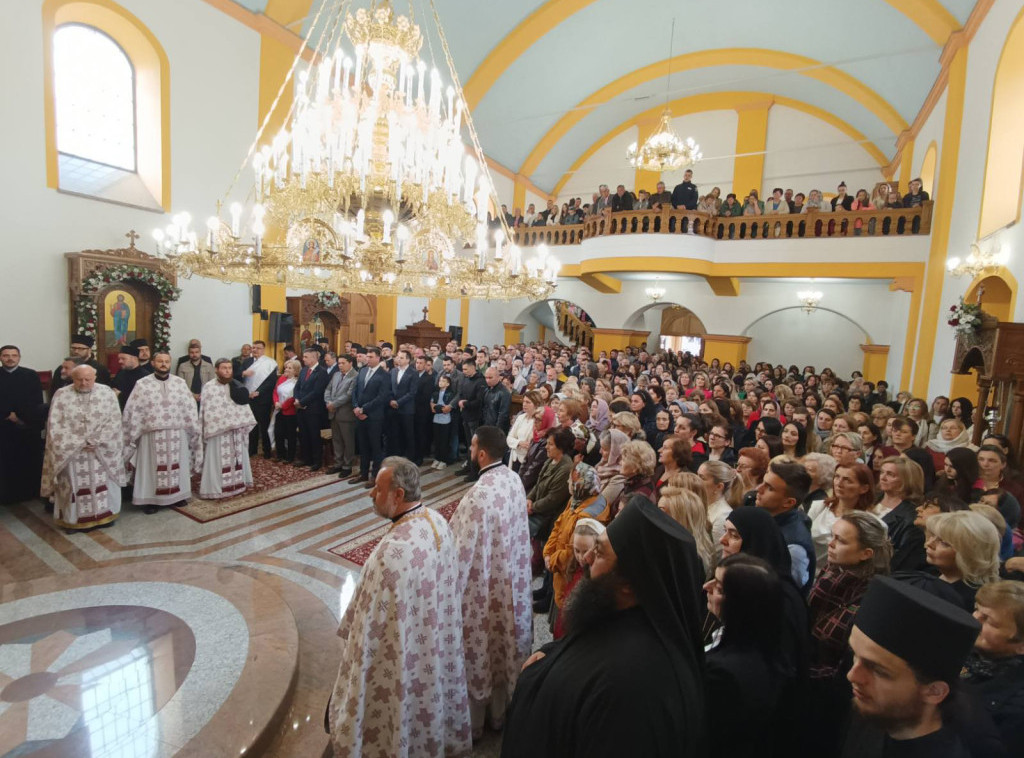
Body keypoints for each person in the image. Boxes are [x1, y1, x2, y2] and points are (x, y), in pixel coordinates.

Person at [501, 498, 707, 758]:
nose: (585, 558)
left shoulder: (636, 690)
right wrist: (550, 655)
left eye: (598, 553)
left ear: (629, 584)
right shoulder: (618, 611)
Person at [327, 457, 472, 756]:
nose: (371, 494)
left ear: (398, 495)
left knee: (397, 706)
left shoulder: (390, 555)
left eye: (378, 489)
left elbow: (365, 628)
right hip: (430, 643)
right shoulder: (436, 521)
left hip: (402, 654)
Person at [448, 426, 532, 739]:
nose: (470, 452)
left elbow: (460, 553)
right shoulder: (512, 479)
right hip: (511, 577)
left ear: (481, 453)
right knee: (504, 646)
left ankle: (474, 724)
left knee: (481, 649)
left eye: (472, 447)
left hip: (483, 588)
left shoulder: (478, 496)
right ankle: (500, 715)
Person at [841, 576, 983, 758]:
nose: (852, 676)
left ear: (935, 691)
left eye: (878, 670)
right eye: (855, 654)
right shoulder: (877, 711)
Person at [807, 512, 893, 754]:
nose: (831, 545)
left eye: (841, 541)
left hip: (829, 701)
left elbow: (844, 665)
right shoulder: (830, 573)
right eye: (832, 537)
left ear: (866, 554)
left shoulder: (868, 601)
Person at [703, 554, 787, 758]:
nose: (707, 587)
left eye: (720, 589)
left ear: (741, 604)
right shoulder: (767, 649)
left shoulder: (724, 675)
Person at [40, 364, 125, 529]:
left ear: (95, 378)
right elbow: (55, 425)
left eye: (88, 379)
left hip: (101, 451)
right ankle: (73, 521)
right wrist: (80, 442)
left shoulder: (106, 393)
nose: (84, 383)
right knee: (73, 486)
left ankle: (106, 515)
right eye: (79, 379)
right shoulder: (62, 395)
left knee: (104, 483)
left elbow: (115, 420)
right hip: (72, 452)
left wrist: (98, 440)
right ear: (73, 379)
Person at [122, 351, 203, 513]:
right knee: (152, 467)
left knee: (177, 464)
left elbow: (189, 407)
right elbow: (132, 409)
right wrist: (133, 431)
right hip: (151, 434)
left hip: (176, 433)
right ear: (153, 363)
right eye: (160, 361)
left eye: (166, 361)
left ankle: (178, 496)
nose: (164, 364)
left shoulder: (180, 383)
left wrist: (192, 427)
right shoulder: (142, 384)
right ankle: (151, 500)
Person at [961, 580, 1024, 751]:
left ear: (1021, 646)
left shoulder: (1017, 708)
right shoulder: (960, 649)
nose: (975, 619)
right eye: (977, 610)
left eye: (989, 621)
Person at [199, 359, 256, 499]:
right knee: (217, 460)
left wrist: (237, 422)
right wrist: (223, 423)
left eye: (229, 368)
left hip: (235, 431)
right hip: (217, 432)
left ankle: (238, 484)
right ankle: (215, 488)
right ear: (216, 370)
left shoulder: (236, 385)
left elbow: (243, 407)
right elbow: (207, 410)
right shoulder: (209, 387)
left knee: (237, 457)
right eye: (224, 368)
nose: (227, 371)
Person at [922, 510, 1001, 611]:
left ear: (970, 553)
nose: (929, 544)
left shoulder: (972, 601)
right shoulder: (928, 574)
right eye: (932, 536)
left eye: (944, 543)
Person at [757, 460, 816, 591]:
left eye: (769, 488)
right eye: (762, 482)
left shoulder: (794, 548)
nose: (759, 489)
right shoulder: (766, 519)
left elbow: (786, 591)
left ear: (788, 502)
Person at [0, 344, 44, 504]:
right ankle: (7, 495)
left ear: (19, 357)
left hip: (26, 425)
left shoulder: (30, 375)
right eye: (6, 355)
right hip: (3, 426)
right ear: (0, 357)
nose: (10, 358)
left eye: (14, 355)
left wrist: (20, 418)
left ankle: (29, 492)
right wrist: (7, 415)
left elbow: (36, 401)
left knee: (28, 459)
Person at [350, 347, 391, 486]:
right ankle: (363, 473)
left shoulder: (384, 375)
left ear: (378, 358)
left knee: (375, 447)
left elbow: (382, 397)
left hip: (374, 416)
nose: (367, 359)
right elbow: (355, 390)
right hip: (359, 414)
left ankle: (374, 476)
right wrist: (356, 407)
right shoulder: (362, 371)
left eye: (371, 357)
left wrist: (364, 409)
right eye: (367, 356)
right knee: (363, 446)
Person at [526, 427, 575, 541]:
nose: (546, 447)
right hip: (537, 510)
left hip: (546, 518)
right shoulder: (551, 460)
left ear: (561, 447)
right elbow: (538, 483)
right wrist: (529, 499)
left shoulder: (566, 469)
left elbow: (552, 499)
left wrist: (531, 507)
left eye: (550, 444)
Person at [293, 347, 330, 471]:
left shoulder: (322, 372)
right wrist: (297, 399)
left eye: (306, 357)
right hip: (301, 408)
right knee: (303, 435)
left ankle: (316, 461)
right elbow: (297, 387)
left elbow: (317, 392)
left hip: (314, 409)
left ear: (314, 358)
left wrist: (302, 402)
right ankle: (305, 458)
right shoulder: (304, 370)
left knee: (314, 435)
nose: (303, 359)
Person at [241, 340, 278, 458]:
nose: (255, 350)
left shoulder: (270, 363)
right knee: (251, 425)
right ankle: (252, 449)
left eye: (258, 348)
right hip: (248, 398)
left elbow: (271, 381)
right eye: (254, 347)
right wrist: (243, 373)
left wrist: (258, 392)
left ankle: (267, 450)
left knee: (264, 425)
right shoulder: (247, 362)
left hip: (263, 399)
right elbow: (238, 376)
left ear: (263, 349)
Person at [324, 353, 358, 476]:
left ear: (350, 363)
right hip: (333, 412)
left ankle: (347, 465)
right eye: (339, 363)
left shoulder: (355, 376)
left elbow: (349, 395)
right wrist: (328, 402)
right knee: (336, 440)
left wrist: (334, 404)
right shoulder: (336, 374)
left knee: (348, 441)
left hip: (346, 414)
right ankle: (338, 464)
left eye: (343, 363)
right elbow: (328, 389)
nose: (340, 366)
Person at [454, 359, 486, 478]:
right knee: (468, 444)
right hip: (466, 416)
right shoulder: (466, 379)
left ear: (473, 367)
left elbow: (479, 401)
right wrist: (460, 401)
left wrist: (465, 403)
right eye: (463, 369)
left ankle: (475, 470)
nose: (464, 372)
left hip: (474, 417)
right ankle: (469, 466)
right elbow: (461, 393)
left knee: (475, 445)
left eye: (466, 369)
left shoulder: (480, 381)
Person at [271, 359, 300, 463]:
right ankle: (280, 454)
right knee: (278, 433)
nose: (286, 369)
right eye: (286, 367)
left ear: (296, 371)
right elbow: (275, 391)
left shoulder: (297, 382)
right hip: (279, 410)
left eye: (289, 368)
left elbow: (293, 397)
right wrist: (276, 403)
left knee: (290, 435)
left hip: (290, 412)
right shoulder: (282, 378)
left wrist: (283, 406)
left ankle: (290, 457)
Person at [175, 340, 215, 405]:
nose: (194, 354)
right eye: (192, 352)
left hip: (205, 399)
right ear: (188, 353)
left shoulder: (208, 366)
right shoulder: (182, 366)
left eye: (197, 352)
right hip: (187, 398)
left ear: (200, 352)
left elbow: (212, 383)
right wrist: (192, 395)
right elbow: (180, 385)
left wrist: (203, 395)